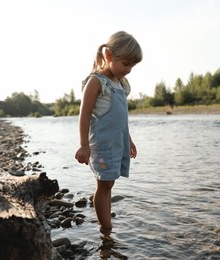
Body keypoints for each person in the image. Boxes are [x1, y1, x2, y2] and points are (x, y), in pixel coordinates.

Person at [75, 31, 143, 236]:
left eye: (132, 66)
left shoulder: (120, 84)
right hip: (103, 144)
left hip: (118, 142)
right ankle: (106, 229)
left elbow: (121, 119)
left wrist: (129, 141)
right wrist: (83, 144)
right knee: (103, 185)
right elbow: (84, 114)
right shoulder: (96, 81)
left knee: (109, 183)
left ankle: (105, 222)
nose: (129, 69)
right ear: (109, 56)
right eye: (126, 63)